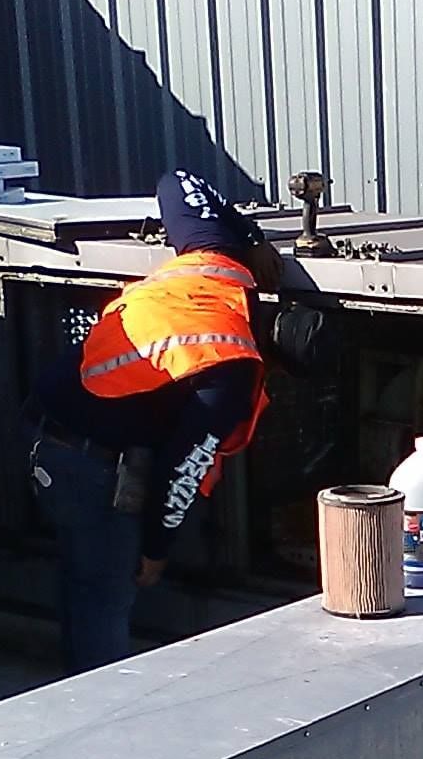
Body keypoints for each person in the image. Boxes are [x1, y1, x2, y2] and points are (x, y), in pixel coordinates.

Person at [25, 169, 284, 675]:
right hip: (89, 467)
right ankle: (101, 722)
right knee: (106, 597)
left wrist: (251, 238)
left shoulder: (213, 260)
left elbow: (178, 180)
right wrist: (156, 550)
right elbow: (183, 469)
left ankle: (77, 685)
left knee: (83, 581)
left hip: (46, 436)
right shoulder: (232, 368)